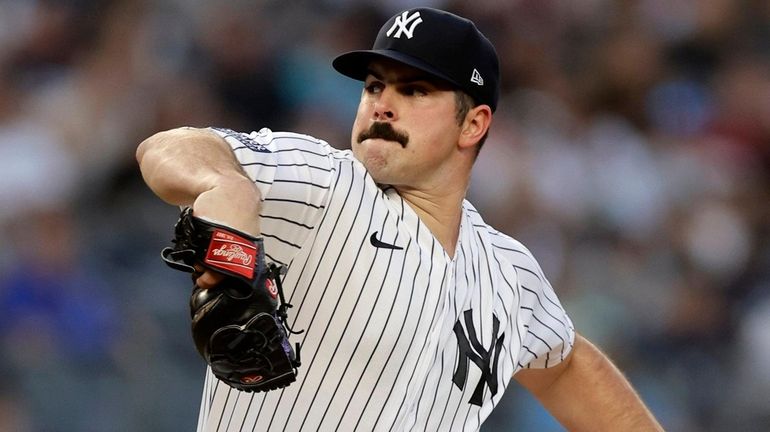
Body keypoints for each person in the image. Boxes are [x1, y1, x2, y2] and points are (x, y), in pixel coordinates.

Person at [137, 7, 663, 432]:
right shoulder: (327, 186)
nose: (382, 105)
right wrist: (224, 185)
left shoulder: (509, 275)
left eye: (414, 91)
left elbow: (566, 364)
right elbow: (173, 147)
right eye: (373, 87)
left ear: (474, 122)